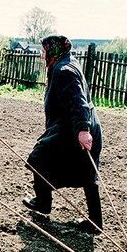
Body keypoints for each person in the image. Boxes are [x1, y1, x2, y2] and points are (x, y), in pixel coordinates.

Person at [23, 35, 103, 234]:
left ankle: (43, 202)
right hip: (76, 125)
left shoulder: (64, 70)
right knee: (86, 172)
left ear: (52, 49)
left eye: (44, 49)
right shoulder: (66, 62)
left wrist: (83, 130)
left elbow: (78, 101)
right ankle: (95, 221)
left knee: (38, 158)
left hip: (71, 128)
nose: (42, 53)